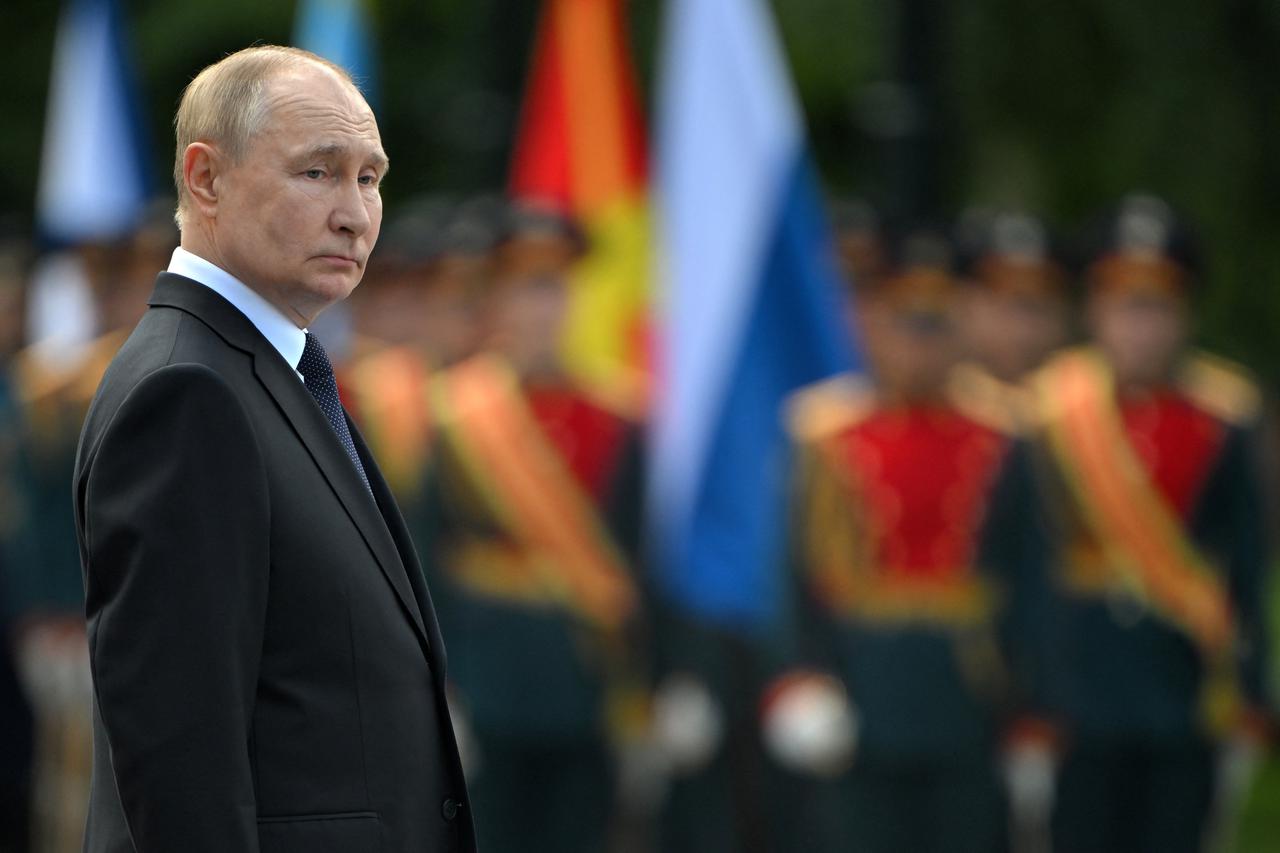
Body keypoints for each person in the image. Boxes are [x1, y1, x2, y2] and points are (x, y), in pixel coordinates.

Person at [71, 46, 473, 852]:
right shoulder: (189, 394)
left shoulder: (269, 371)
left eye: (370, 177)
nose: (356, 214)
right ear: (205, 179)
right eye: (318, 172)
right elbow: (177, 756)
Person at [771, 226, 1048, 853]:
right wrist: (799, 677)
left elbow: (1029, 580)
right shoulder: (824, 431)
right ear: (868, 322)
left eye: (937, 323)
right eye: (903, 321)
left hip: (969, 692)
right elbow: (794, 574)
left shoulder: (1005, 433)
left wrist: (1036, 714)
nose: (920, 344)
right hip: (860, 691)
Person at [1032, 194, 1271, 853]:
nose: (1143, 327)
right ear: (1094, 311)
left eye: (1158, 307)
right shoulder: (1050, 410)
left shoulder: (1222, 412)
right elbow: (1024, 562)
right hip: (1079, 681)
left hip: (1182, 687)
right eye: (1125, 306)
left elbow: (1243, 560)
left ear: (1184, 313)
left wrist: (1252, 691)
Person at [420, 200, 647, 853]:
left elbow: (635, 557)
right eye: (523, 288)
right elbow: (425, 562)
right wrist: (438, 688)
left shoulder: (621, 415)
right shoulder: (456, 413)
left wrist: (656, 681)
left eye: (553, 288)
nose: (539, 309)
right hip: (488, 677)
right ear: (494, 300)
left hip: (586, 677)